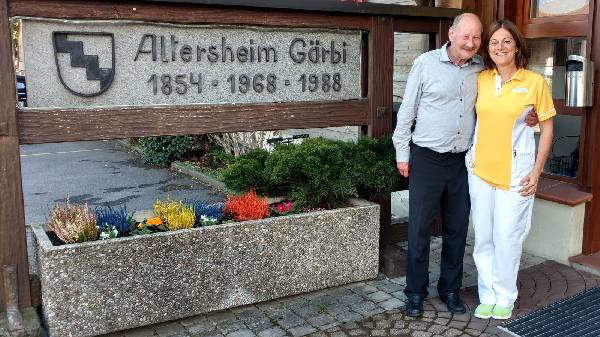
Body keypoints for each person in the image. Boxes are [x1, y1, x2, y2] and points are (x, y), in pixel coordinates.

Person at [392, 13, 484, 317]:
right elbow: (407, 110)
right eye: (465, 36)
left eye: (476, 37)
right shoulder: (426, 63)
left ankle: (449, 289)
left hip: (462, 161)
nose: (470, 43)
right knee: (419, 229)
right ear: (451, 33)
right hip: (427, 158)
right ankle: (415, 292)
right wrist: (402, 153)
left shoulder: (482, 68)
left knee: (457, 230)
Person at [467, 19, 554, 320]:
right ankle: (487, 294)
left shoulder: (534, 82)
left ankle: (505, 295)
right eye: (494, 42)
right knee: (483, 237)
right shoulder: (480, 78)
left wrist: (537, 172)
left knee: (507, 236)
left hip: (516, 174)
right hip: (480, 171)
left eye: (506, 41)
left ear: (517, 46)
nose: (500, 47)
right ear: (487, 48)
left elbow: (547, 128)